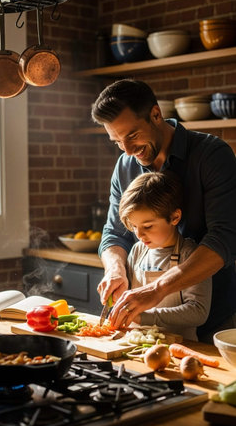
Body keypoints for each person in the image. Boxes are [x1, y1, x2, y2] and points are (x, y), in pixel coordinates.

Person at [91, 78, 236, 343]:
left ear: (156, 114)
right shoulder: (125, 166)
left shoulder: (212, 155)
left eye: (132, 136)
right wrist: (115, 270)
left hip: (216, 319)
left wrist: (157, 289)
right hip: (151, 329)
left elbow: (224, 239)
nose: (127, 150)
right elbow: (114, 233)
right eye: (117, 141)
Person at [118, 170, 211, 341]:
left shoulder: (191, 255)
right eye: (134, 226)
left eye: (148, 226)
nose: (139, 235)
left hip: (182, 346)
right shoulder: (138, 251)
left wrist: (143, 317)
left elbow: (198, 311)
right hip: (137, 343)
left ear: (175, 217)